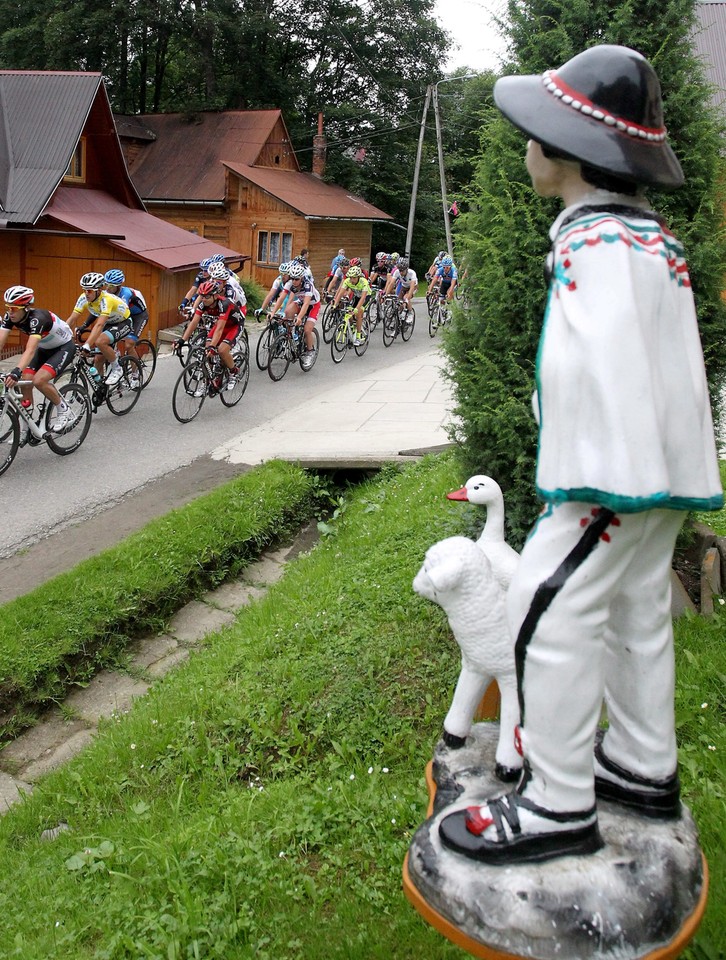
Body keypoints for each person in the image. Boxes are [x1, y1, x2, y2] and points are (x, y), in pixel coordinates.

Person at [438, 45, 724, 866]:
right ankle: (641, 763)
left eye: (536, 133)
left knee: (544, 610)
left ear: (567, 154)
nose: (528, 146)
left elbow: (593, 365)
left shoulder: (595, 246)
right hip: (652, 473)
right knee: (636, 612)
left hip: (608, 476)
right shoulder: (649, 242)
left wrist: (583, 461)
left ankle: (556, 800)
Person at [0, 286, 78, 434]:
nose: (10, 311)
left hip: (63, 347)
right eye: (8, 307)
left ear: (25, 307)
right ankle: (28, 425)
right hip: (44, 348)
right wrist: (19, 373)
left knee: (39, 380)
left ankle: (63, 409)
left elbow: (30, 349)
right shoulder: (10, 317)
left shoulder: (38, 319)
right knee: (26, 379)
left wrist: (16, 371)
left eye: (14, 308)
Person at [66, 272, 132, 386]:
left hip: (123, 322)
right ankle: (101, 388)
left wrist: (87, 344)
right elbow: (71, 319)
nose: (86, 293)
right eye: (84, 290)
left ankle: (117, 368)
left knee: (100, 341)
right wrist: (62, 335)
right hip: (109, 323)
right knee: (98, 360)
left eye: (90, 290)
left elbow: (99, 325)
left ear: (99, 290)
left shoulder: (106, 299)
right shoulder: (83, 298)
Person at [176, 280, 243, 391]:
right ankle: (207, 381)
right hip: (221, 324)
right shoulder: (203, 304)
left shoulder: (224, 304)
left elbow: (220, 329)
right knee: (207, 351)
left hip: (234, 326)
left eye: (206, 296)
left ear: (215, 295)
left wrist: (213, 346)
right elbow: (193, 323)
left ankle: (233, 372)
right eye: (202, 296)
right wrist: (182, 341)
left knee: (221, 350)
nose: (203, 299)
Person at [269, 261, 321, 370]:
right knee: (287, 312)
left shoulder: (308, 285)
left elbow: (307, 303)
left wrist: (299, 318)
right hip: (301, 302)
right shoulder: (290, 284)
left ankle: (310, 351)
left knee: (307, 329)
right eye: (292, 278)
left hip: (313, 305)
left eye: (296, 279)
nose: (294, 281)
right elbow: (281, 298)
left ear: (301, 278)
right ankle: (292, 335)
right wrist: (273, 312)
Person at [103, 269, 149, 366]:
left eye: (111, 286)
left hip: (138, 317)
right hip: (121, 315)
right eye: (106, 284)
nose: (107, 288)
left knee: (129, 344)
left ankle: (135, 376)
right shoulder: (107, 292)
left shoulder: (126, 294)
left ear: (118, 286)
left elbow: (123, 313)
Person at [331, 265, 371, 344]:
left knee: (358, 313)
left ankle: (358, 337)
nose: (352, 280)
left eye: (354, 278)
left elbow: (363, 298)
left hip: (365, 297)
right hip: (356, 296)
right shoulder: (347, 281)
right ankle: (352, 327)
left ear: (358, 277)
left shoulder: (364, 282)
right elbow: (340, 294)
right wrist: (335, 305)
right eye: (351, 277)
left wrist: (356, 309)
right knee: (348, 311)